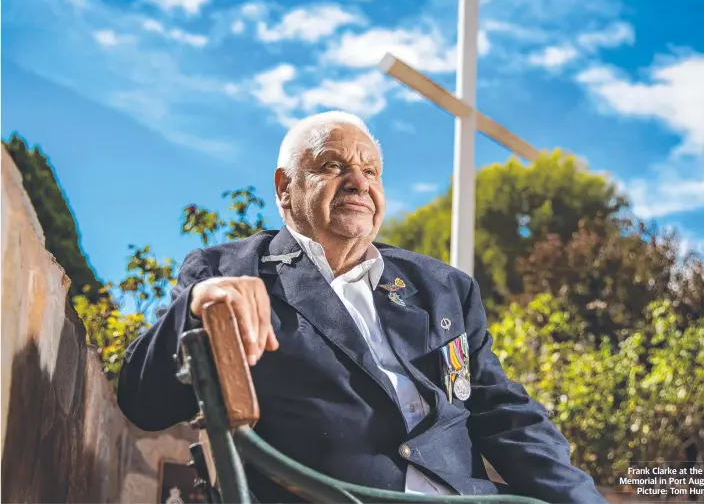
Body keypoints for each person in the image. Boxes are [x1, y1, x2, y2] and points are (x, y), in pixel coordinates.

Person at [117, 110, 609, 504]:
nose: (359, 181)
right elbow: (144, 402)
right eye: (333, 165)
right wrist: (198, 307)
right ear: (285, 186)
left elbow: (507, 415)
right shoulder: (229, 269)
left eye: (371, 170)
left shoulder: (443, 288)